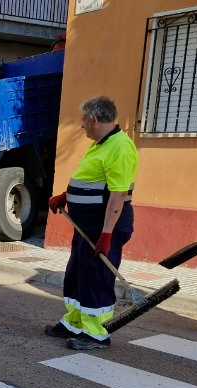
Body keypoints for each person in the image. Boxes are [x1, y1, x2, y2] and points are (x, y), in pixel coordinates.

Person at [44, 96, 138, 350]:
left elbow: (118, 194)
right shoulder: (101, 145)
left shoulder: (120, 147)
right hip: (87, 225)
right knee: (78, 274)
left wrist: (106, 235)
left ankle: (96, 333)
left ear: (94, 119)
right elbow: (91, 179)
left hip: (104, 226)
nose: (81, 124)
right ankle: (74, 323)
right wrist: (66, 195)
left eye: (83, 120)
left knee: (97, 277)